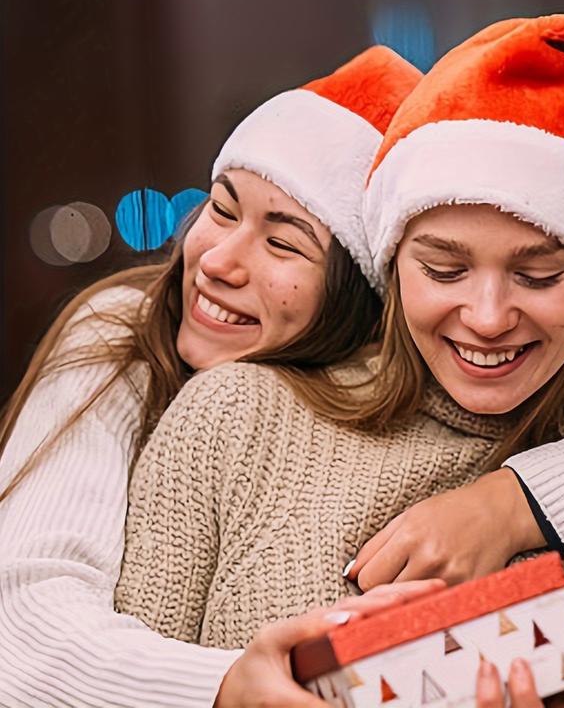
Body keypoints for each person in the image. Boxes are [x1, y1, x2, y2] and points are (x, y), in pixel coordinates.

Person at [114, 15, 564, 707]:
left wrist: (511, 506)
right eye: (444, 269)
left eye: (539, 276)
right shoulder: (234, 419)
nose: (488, 316)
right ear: (391, 267)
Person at [0, 46, 424, 706]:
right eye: (222, 211)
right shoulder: (124, 335)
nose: (218, 260)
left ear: (360, 299)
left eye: (282, 242)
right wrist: (222, 688)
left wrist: (508, 505)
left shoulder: (392, 397)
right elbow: (20, 615)